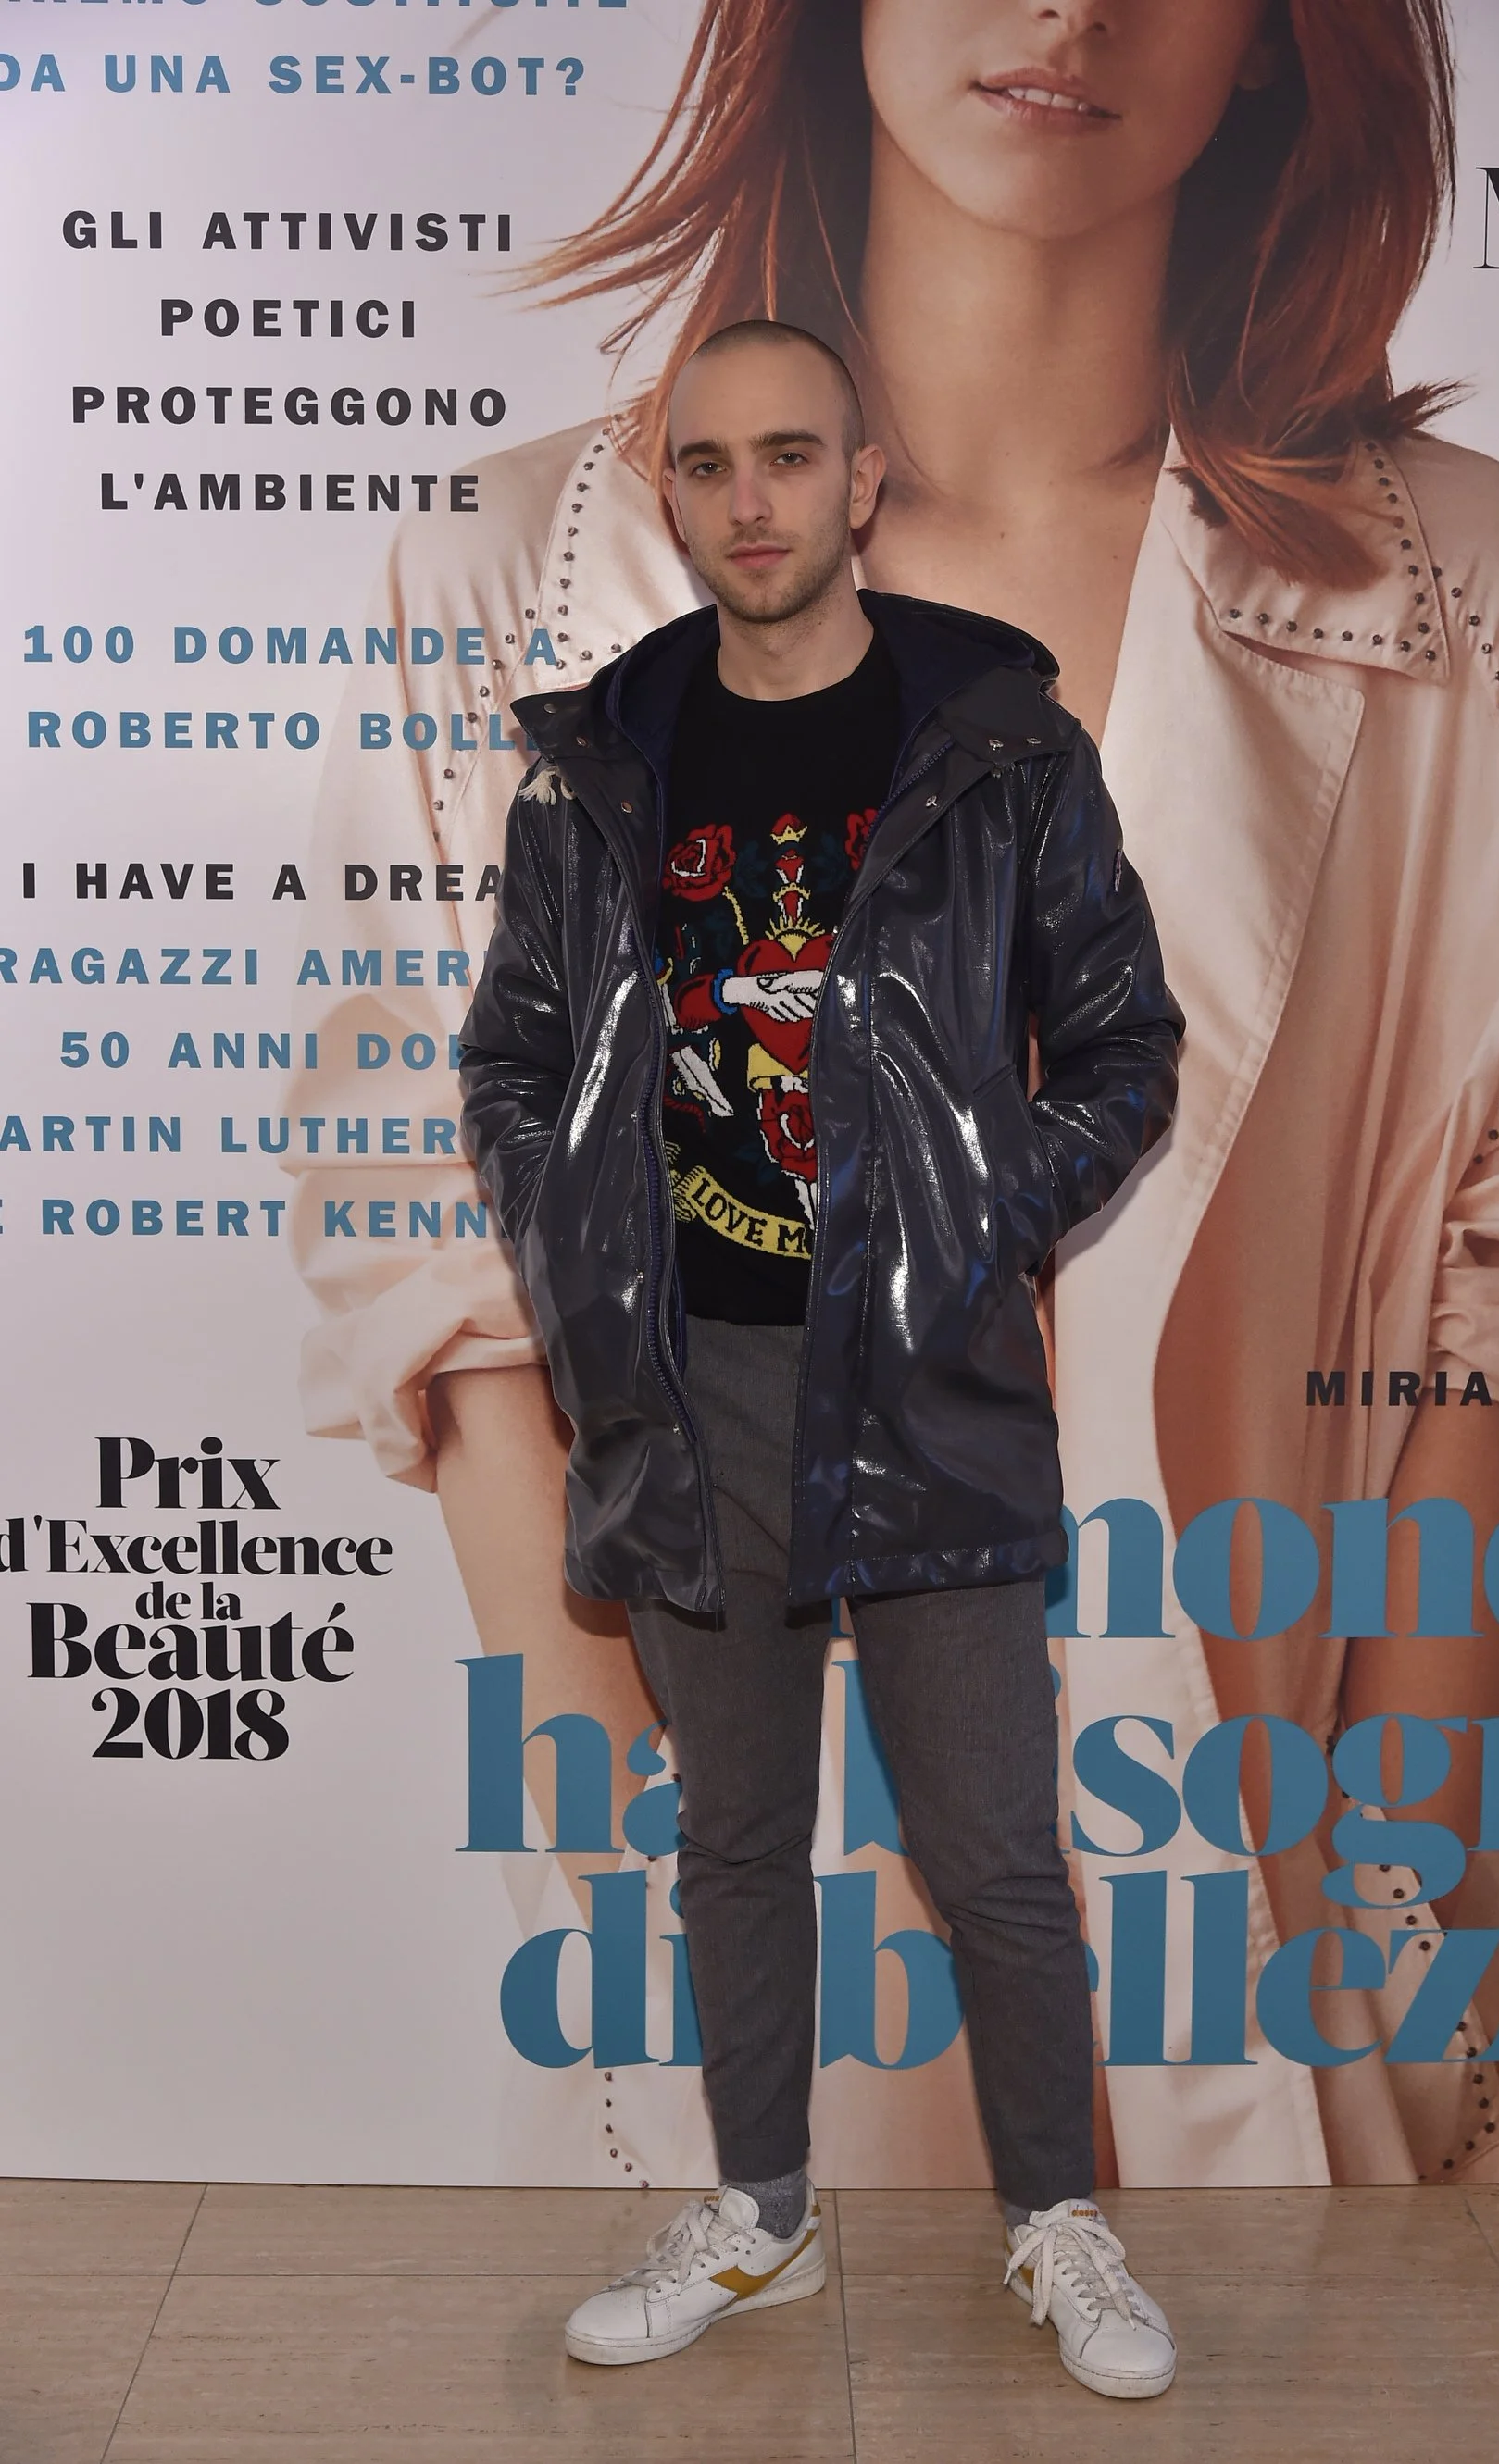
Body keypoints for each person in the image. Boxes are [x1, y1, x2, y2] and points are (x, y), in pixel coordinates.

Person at [289, 0, 1499, 2188]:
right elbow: (450, 1266)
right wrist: (639, 1830)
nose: (1068, 7)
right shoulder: (515, 581)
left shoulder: (1481, 592)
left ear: (1282, 38)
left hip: (1365, 1925)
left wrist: (1378, 1822)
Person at [457, 318, 1185, 2386]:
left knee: (995, 1854)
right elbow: (513, 1056)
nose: (750, 500)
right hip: (689, 1383)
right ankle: (760, 2213)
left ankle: (1057, 2219)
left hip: (928, 1373)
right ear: (671, 496)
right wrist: (578, 1243)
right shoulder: (598, 766)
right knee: (734, 1841)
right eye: (708, 465)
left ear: (863, 481)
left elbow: (1123, 1038)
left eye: (790, 456)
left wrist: (981, 1210)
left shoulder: (999, 748)